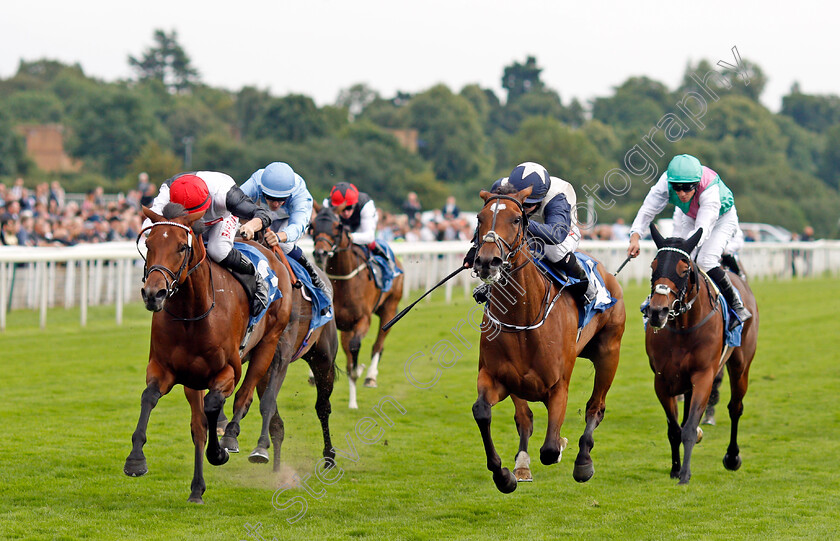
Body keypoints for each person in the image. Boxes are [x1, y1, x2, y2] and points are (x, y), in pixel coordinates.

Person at [626, 154, 752, 329]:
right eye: (677, 189)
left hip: (720, 220)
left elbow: (702, 229)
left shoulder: (710, 191)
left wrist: (681, 251)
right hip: (689, 216)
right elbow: (648, 209)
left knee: (704, 260)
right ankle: (657, 300)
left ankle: (737, 305)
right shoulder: (666, 181)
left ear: (697, 184)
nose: (682, 194)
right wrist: (635, 236)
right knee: (674, 258)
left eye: (687, 188)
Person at [464, 162, 596, 306]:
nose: (523, 208)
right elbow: (489, 218)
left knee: (554, 251)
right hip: (520, 227)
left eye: (528, 205)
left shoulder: (557, 197)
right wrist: (476, 247)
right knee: (507, 245)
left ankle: (584, 282)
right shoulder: (500, 188)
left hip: (562, 231)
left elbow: (556, 235)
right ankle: (492, 284)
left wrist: (521, 221)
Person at [144, 171, 273, 317]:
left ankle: (256, 277)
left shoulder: (226, 195)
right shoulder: (168, 190)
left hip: (221, 218)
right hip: (181, 224)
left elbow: (263, 214)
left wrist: (251, 226)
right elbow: (148, 226)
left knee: (218, 250)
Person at [240, 161, 327, 293]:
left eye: (281, 199)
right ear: (262, 189)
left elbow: (297, 226)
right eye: (270, 197)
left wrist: (279, 237)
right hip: (261, 216)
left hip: (287, 220)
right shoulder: (256, 181)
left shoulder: (300, 195)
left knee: (285, 245)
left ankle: (313, 274)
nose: (275, 204)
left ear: (290, 194)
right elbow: (235, 200)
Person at [324, 182, 394, 272]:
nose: (345, 213)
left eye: (349, 207)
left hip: (360, 227)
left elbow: (369, 236)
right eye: (342, 209)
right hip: (342, 227)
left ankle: (387, 263)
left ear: (354, 204)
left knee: (369, 243)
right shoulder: (327, 204)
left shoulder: (366, 204)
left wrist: (349, 237)